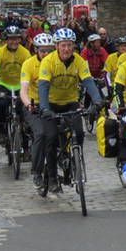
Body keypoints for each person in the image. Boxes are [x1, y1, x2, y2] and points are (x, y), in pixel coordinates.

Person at [37, 29, 102, 195]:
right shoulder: (48, 61)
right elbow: (43, 86)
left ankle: (74, 161)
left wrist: (97, 101)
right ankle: (51, 177)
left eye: (70, 45)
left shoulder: (79, 61)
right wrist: (44, 108)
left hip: (70, 103)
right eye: (63, 45)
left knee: (79, 133)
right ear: (57, 46)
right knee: (50, 138)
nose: (67, 49)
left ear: (74, 46)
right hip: (51, 105)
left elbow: (88, 81)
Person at [19, 33, 56, 190]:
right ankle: (37, 171)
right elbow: (23, 90)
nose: (46, 53)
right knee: (40, 134)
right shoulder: (28, 64)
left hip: (53, 104)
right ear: (35, 50)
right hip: (35, 105)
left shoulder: (56, 62)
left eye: (50, 50)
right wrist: (28, 105)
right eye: (43, 50)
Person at [0, 27, 31, 144]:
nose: (14, 42)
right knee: (2, 104)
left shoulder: (25, 53)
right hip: (3, 84)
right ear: (6, 40)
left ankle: (25, 142)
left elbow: (30, 70)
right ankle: (1, 131)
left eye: (16, 39)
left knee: (23, 110)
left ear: (20, 39)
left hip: (19, 85)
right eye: (11, 39)